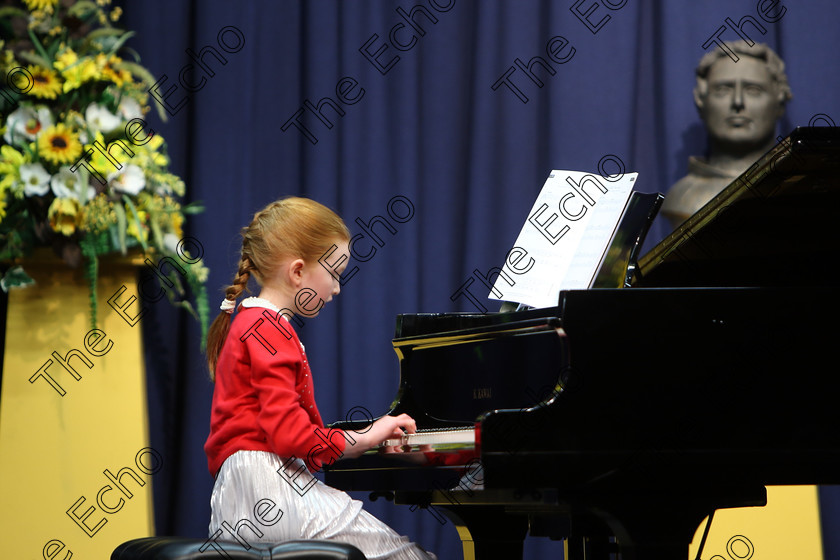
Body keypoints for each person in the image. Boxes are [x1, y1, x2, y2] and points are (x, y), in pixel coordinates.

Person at [204, 197, 436, 559]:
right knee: (410, 556)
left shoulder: (250, 322)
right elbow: (291, 435)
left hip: (242, 496)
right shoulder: (269, 328)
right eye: (334, 273)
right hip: (269, 492)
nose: (337, 288)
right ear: (297, 272)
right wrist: (372, 433)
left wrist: (368, 440)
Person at [661, 41, 793, 228]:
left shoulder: (798, 190)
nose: (738, 102)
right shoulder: (682, 197)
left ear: (779, 101)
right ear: (701, 100)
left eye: (753, 90)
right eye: (723, 90)